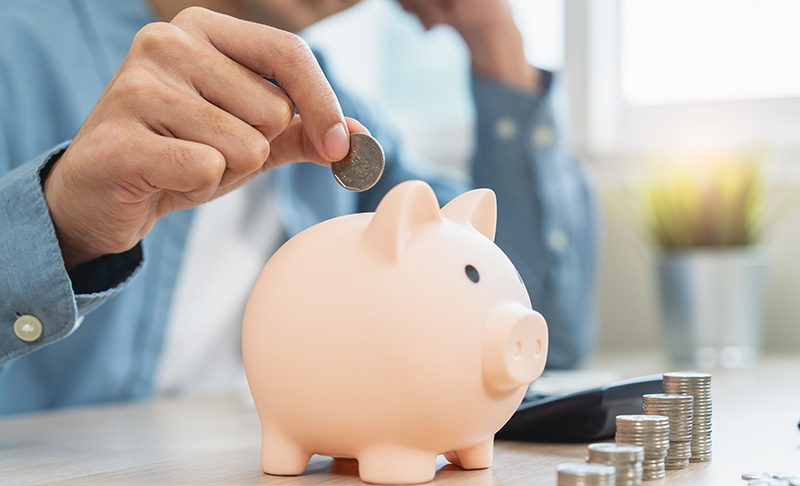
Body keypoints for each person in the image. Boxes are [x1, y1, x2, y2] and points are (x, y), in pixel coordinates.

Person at [0, 0, 596, 416]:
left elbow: (537, 333)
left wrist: (494, 39)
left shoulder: (346, 120)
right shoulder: (16, 43)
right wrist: (61, 225)